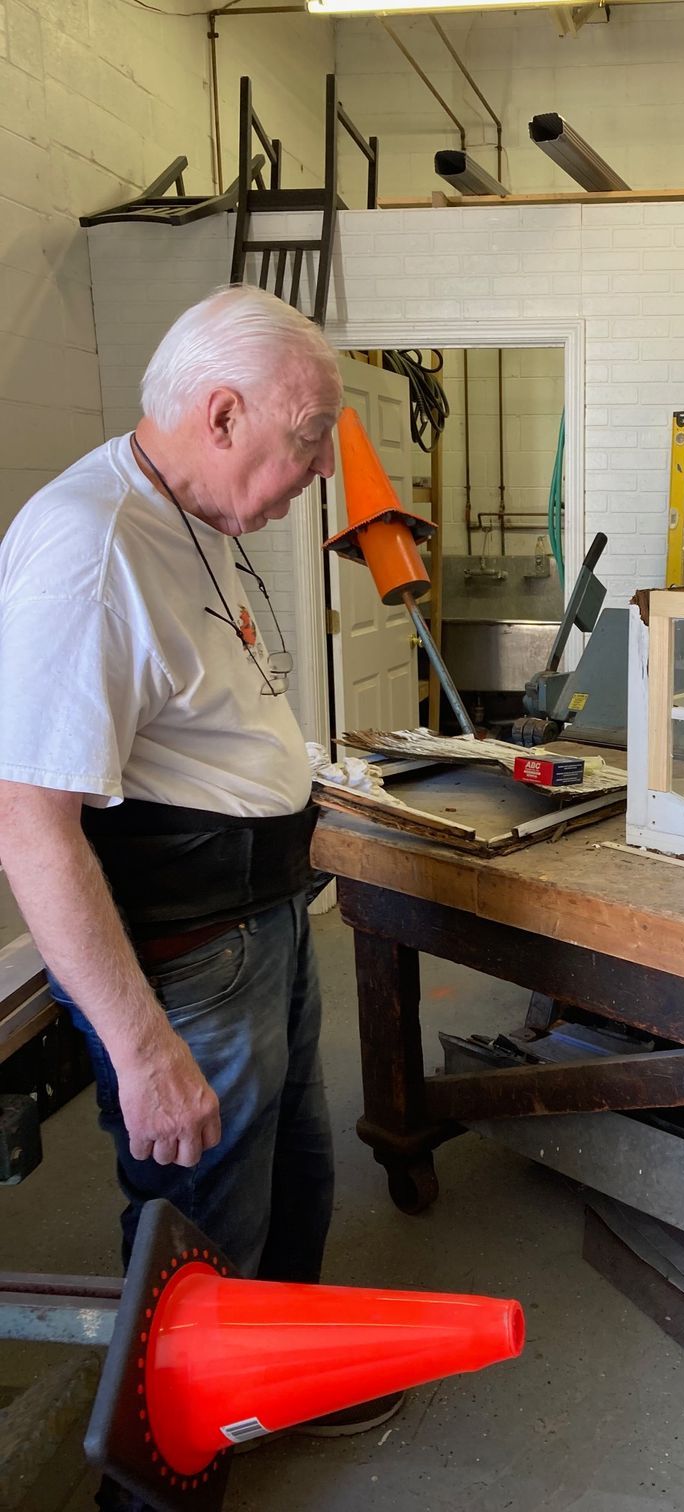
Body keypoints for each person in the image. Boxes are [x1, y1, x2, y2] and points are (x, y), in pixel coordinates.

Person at [0, 286, 397, 1507]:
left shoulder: (196, 512)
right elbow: (30, 824)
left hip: (266, 918)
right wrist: (139, 1046)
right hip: (186, 954)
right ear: (222, 414)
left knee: (296, 1176)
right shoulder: (93, 542)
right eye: (306, 436)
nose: (318, 471)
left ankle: (266, 1390)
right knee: (198, 1226)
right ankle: (166, 1480)